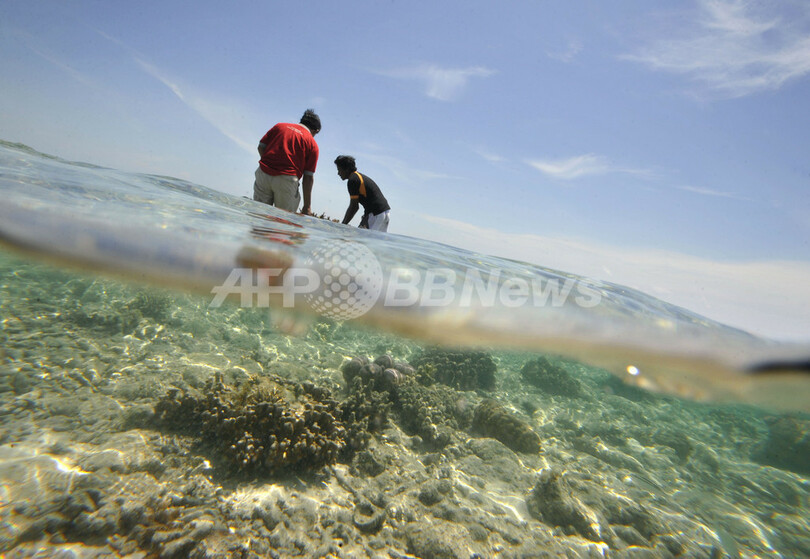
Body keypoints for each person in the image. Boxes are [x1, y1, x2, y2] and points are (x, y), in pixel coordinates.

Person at [254, 109, 321, 214]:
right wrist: (307, 206)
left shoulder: (279, 126)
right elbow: (308, 177)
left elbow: (261, 147)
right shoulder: (312, 143)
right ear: (316, 131)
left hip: (263, 174)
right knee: (282, 222)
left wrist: (270, 165)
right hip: (287, 180)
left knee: (258, 215)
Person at [334, 155, 390, 232]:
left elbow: (354, 207)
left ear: (346, 169)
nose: (338, 173)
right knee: (374, 242)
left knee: (364, 240)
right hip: (384, 212)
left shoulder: (353, 180)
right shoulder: (358, 177)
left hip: (376, 214)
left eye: (339, 170)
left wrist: (343, 225)